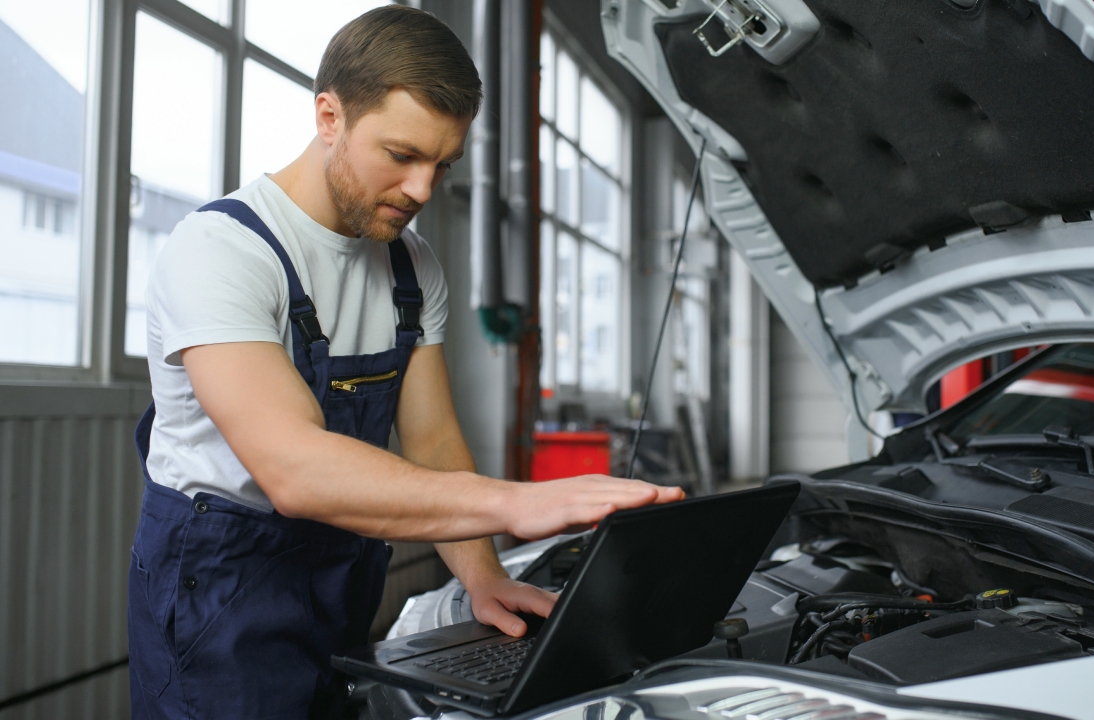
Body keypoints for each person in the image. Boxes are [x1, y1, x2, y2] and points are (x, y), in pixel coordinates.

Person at [126, 6, 683, 719]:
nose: (423, 190)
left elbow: (433, 440)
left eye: (442, 164)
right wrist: (518, 500)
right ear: (330, 116)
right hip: (218, 589)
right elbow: (294, 470)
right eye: (401, 155)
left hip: (338, 575)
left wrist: (483, 575)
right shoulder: (221, 252)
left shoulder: (410, 266)